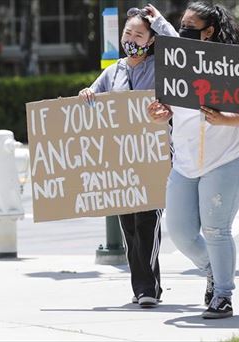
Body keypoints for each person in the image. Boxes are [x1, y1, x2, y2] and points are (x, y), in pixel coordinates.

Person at [144, 2, 239, 319]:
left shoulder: (231, 64)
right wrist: (157, 115)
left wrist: (224, 120)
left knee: (216, 230)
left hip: (225, 159)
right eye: (181, 23)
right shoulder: (175, 64)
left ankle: (222, 294)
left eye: (190, 24)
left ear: (208, 32)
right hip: (184, 162)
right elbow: (162, 110)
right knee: (181, 232)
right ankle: (213, 268)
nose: (183, 28)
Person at [79, 7, 164, 308]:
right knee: (129, 226)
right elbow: (92, 96)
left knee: (147, 221)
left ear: (152, 40)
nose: (131, 39)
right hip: (121, 161)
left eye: (139, 34)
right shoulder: (113, 71)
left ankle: (148, 286)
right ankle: (143, 286)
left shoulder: (161, 68)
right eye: (128, 33)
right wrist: (87, 94)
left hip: (152, 157)